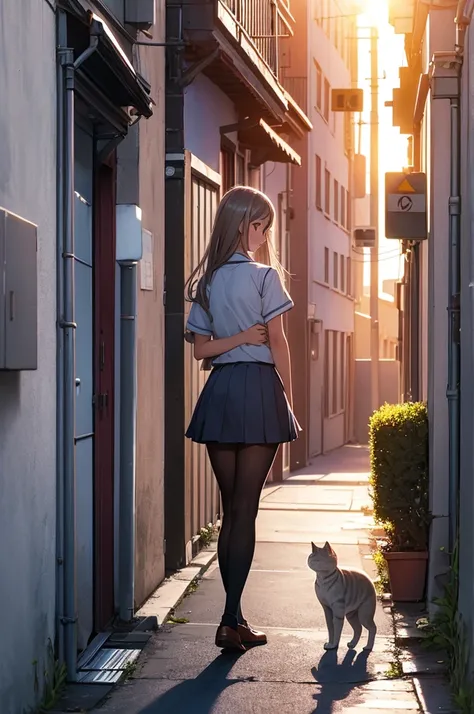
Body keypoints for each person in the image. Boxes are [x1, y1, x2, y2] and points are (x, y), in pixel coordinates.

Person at [184, 185, 299, 652]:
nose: (264, 234)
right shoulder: (264, 277)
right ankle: (230, 620)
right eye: (260, 225)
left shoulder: (209, 282)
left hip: (221, 393)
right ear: (241, 224)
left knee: (230, 511)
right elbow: (279, 342)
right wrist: (285, 396)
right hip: (256, 390)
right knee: (244, 513)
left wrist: (232, 338)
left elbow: (202, 351)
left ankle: (233, 620)